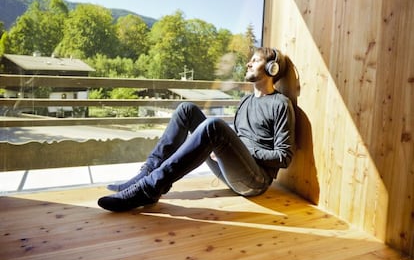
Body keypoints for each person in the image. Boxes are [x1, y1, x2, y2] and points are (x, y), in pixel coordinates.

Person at [98, 47, 295, 212]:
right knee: (187, 110)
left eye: (255, 60)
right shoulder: (246, 101)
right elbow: (240, 137)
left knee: (214, 126)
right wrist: (228, 151)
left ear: (272, 68)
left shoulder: (280, 104)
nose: (248, 64)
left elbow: (284, 157)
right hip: (231, 171)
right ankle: (146, 174)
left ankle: (149, 188)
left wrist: (237, 150)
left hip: (255, 182)